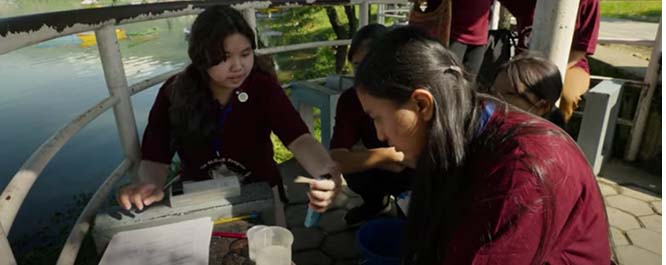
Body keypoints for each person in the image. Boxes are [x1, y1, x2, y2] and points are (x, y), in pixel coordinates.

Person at [309, 25, 611, 264]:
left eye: (378, 118)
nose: (381, 134)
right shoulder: (457, 125)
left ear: (421, 104)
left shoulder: (522, 172)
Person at [116, 5, 342, 213]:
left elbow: (299, 138)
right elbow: (156, 156)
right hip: (198, 197)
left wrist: (326, 171)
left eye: (245, 54)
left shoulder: (263, 88)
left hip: (261, 191)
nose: (238, 66)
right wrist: (149, 186)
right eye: (223, 58)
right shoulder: (174, 93)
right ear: (200, 57)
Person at [327, 23, 411, 225]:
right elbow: (338, 156)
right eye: (357, 66)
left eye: (371, 65)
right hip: (383, 167)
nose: (364, 75)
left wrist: (362, 154)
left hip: (416, 173)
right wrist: (390, 155)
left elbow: (420, 156)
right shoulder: (350, 100)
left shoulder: (407, 93)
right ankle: (376, 203)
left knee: (412, 230)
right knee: (355, 172)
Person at [498, 0, 600, 124]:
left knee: (567, 96)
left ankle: (554, 134)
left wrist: (548, 74)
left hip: (572, 64)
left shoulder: (588, 2)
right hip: (525, 64)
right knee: (504, 89)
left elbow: (581, 49)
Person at [487, 53, 566, 129]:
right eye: (492, 92)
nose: (494, 99)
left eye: (509, 94)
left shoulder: (549, 141)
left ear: (542, 107)